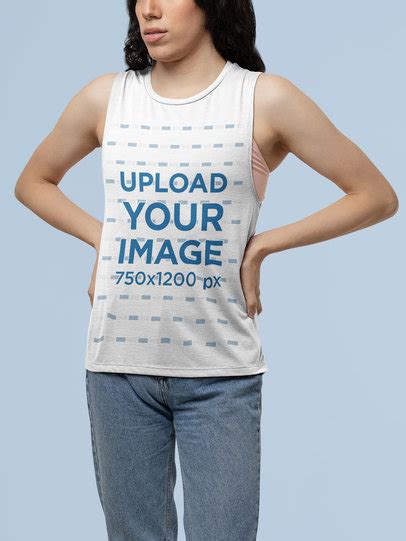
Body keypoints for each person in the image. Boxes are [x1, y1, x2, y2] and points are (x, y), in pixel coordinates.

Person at [14, 1, 398, 540]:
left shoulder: (263, 99)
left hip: (220, 375)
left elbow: (376, 197)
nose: (149, 9)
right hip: (117, 367)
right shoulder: (107, 98)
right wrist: (105, 240)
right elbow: (32, 181)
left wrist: (261, 247)